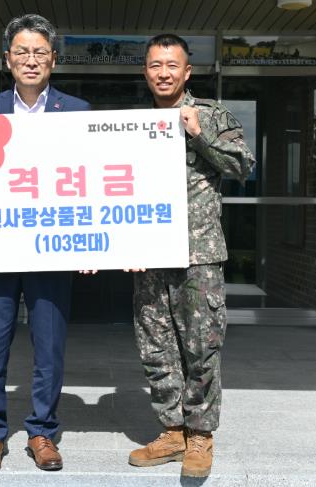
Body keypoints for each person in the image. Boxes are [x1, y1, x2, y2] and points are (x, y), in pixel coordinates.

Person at [0, 14, 90, 474]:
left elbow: (87, 179)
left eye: (40, 52)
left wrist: (90, 242)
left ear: (53, 60)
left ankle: (42, 431)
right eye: (22, 52)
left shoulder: (78, 111)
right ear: (7, 59)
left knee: (50, 346)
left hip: (53, 247)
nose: (31, 60)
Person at [127, 34, 255, 478]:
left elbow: (242, 167)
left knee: (201, 346)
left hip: (198, 253)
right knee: (155, 345)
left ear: (187, 71)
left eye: (172, 65)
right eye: (155, 65)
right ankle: (172, 431)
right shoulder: (132, 124)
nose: (163, 73)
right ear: (145, 71)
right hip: (149, 253)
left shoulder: (212, 116)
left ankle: (200, 435)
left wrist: (198, 134)